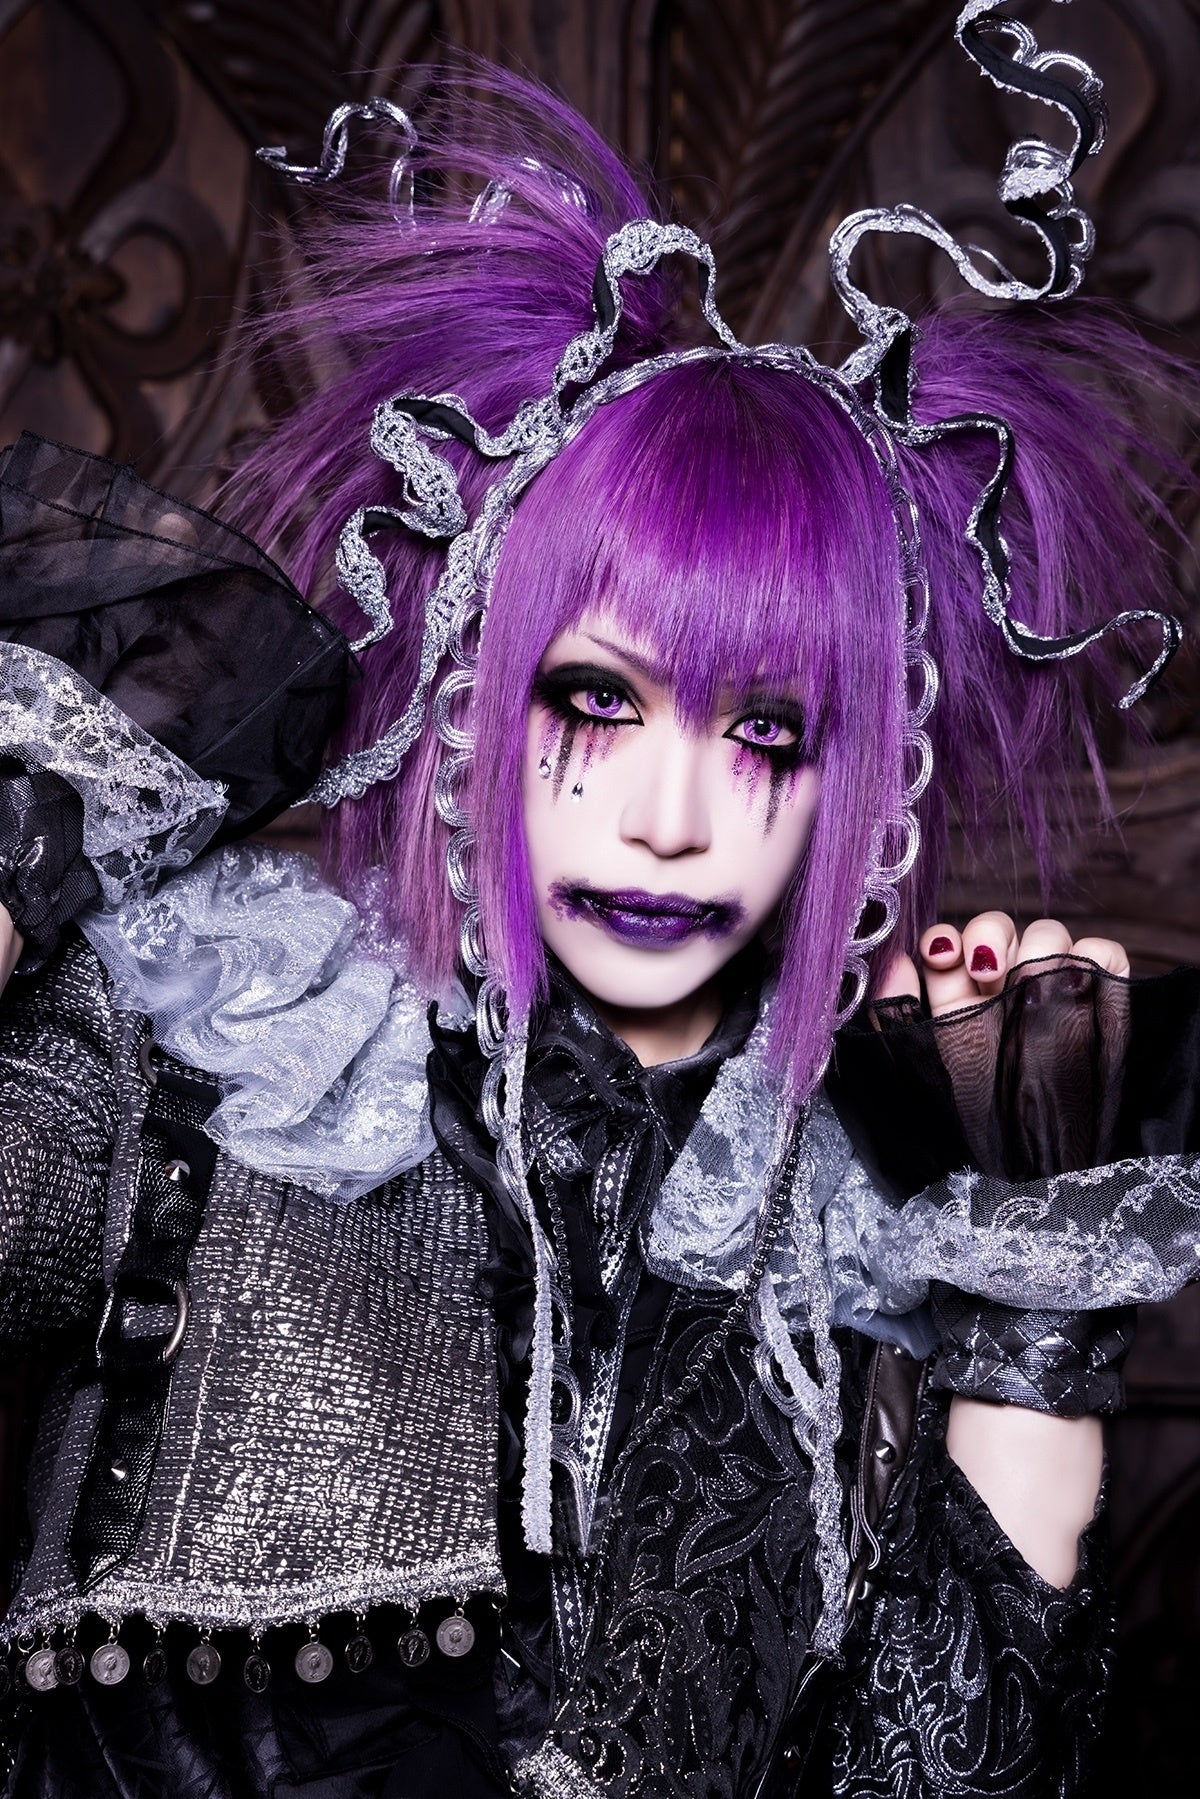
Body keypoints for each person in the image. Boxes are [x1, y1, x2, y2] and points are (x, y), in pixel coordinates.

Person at [1, 4, 1199, 1794]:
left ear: (864, 787)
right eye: (597, 701)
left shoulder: (853, 1231)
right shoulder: (216, 1042)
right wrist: (37, 830)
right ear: (480, 699)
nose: (669, 822)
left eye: (769, 733)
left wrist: (1032, 1281)